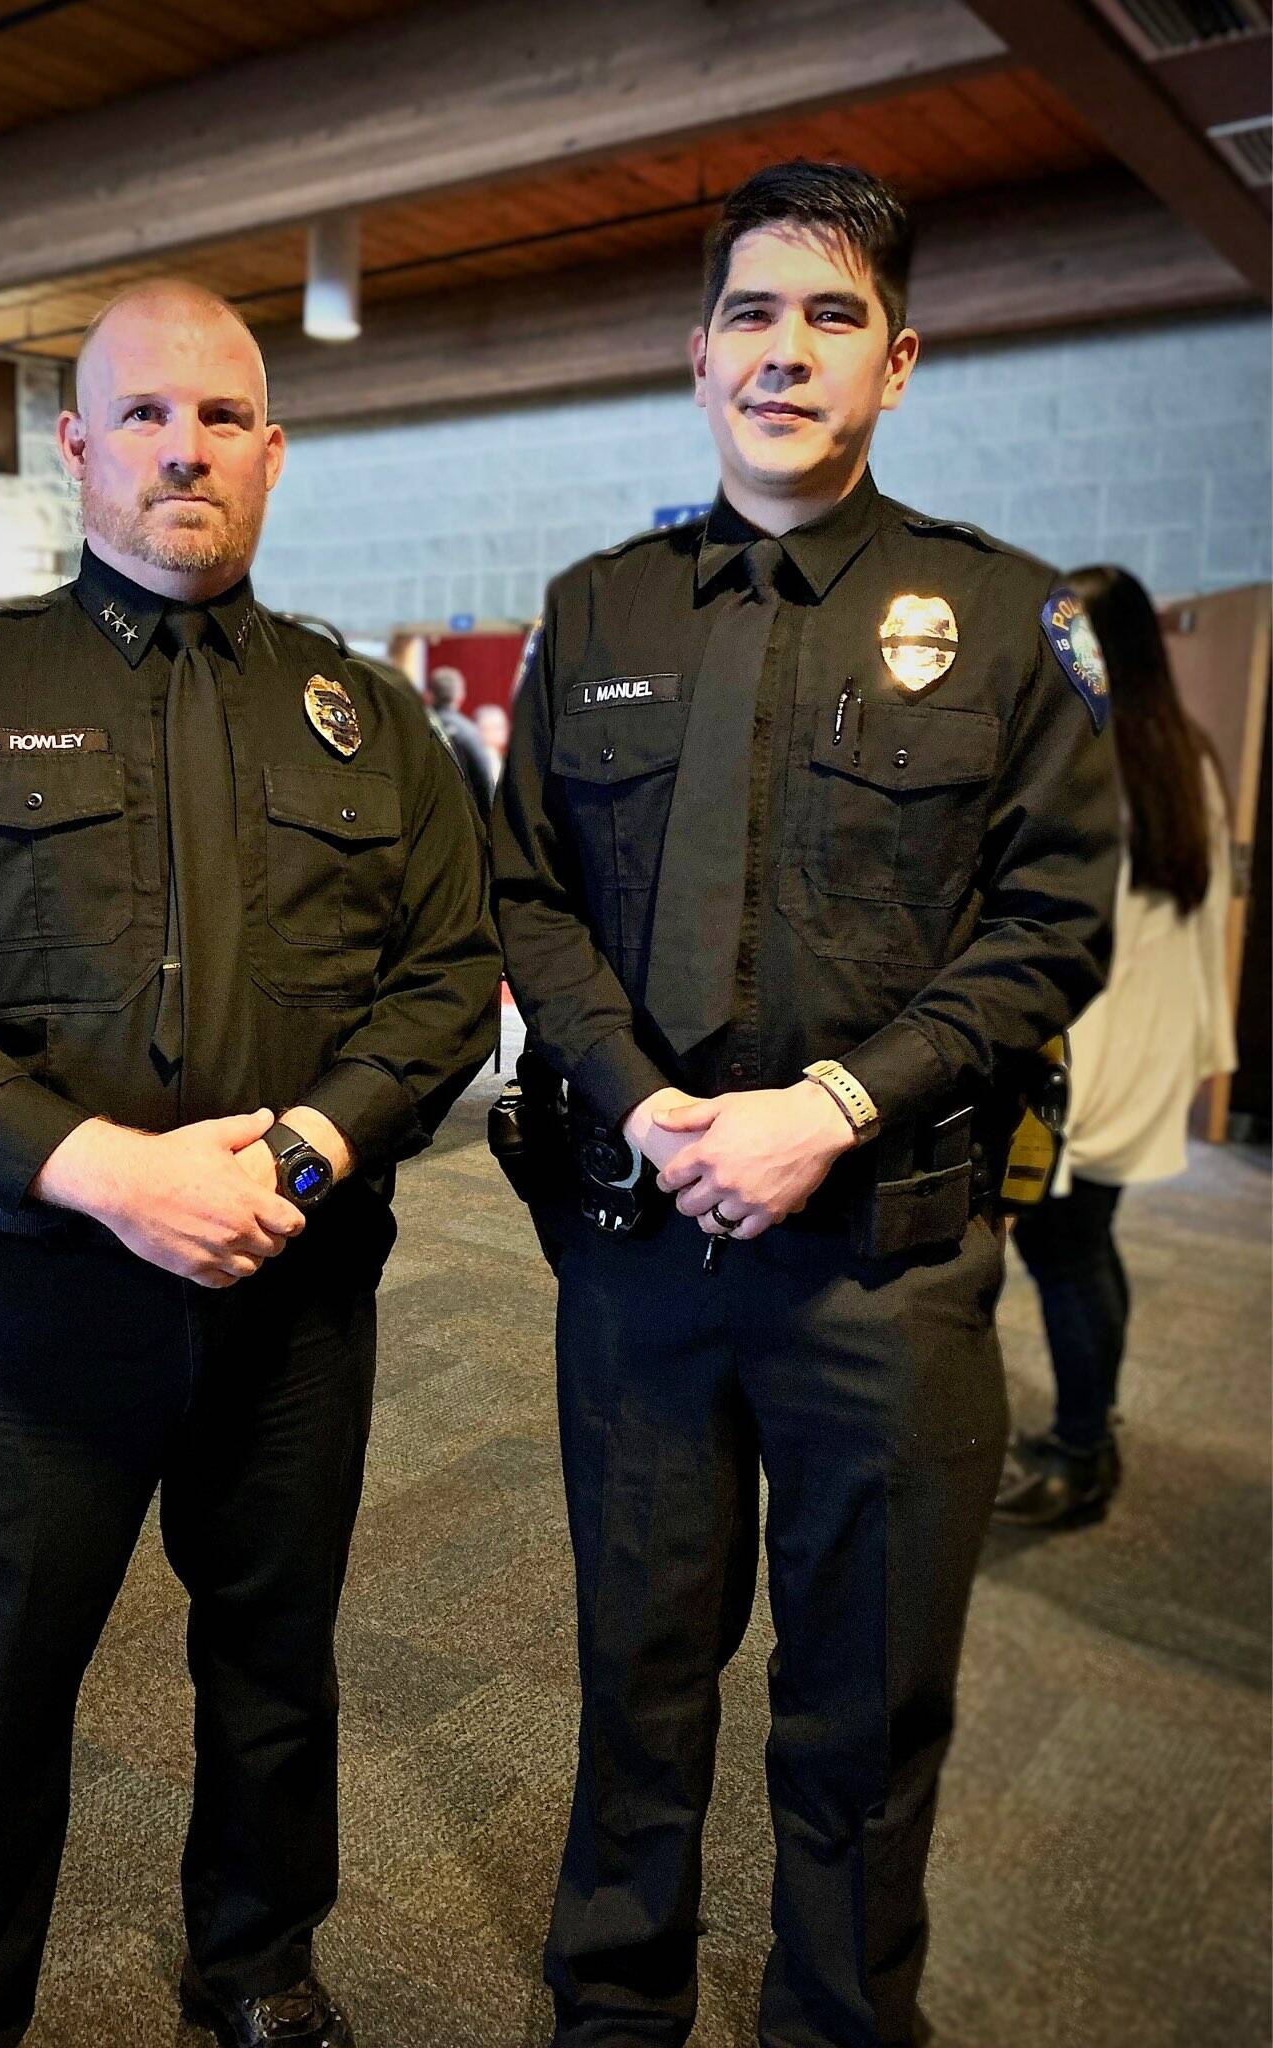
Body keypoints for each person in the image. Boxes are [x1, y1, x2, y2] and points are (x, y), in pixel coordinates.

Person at [0, 281, 499, 2048]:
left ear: (269, 450)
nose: (181, 446)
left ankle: (256, 1963)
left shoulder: (372, 720)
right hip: (26, 1299)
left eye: (219, 419)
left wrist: (311, 1144)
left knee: (273, 1664)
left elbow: (442, 980)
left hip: (290, 1286)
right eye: (141, 414)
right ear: (74, 444)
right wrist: (101, 1166)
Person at [490, 161, 1119, 2048]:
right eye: (751, 316)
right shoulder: (595, 607)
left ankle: (838, 2021)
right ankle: (613, 2013)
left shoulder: (1005, 620)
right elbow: (528, 887)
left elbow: (1048, 923)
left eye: (830, 315)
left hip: (884, 1269)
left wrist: (830, 1102)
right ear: (697, 359)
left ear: (898, 360)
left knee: (859, 1706)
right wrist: (639, 1096)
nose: (784, 350)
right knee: (638, 1679)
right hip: (637, 1250)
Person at [995, 565, 1237, 1529]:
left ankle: (1084, 1455)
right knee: (1088, 1246)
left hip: (1090, 1054)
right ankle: (1094, 1427)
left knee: (1067, 1255)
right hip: (1139, 1049)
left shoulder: (1099, 757)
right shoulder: (1184, 756)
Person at [424, 663, 494, 809]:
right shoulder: (469, 732)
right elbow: (484, 778)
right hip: (464, 814)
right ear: (460, 695)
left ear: (430, 693)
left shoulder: (419, 728)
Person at [474, 700, 510, 787]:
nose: (505, 731)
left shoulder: (495, 756)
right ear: (483, 729)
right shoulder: (489, 757)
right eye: (499, 727)